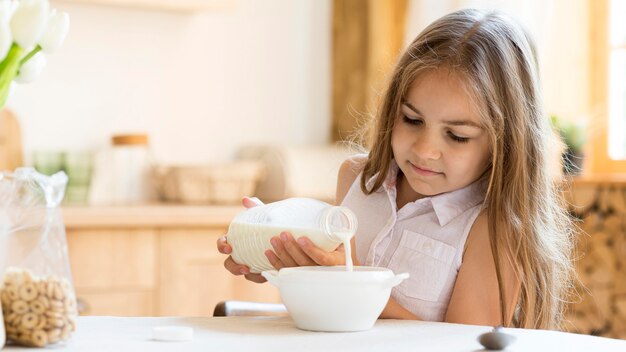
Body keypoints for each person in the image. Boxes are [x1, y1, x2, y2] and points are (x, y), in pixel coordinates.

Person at [217, 9, 574, 330]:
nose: (424, 150)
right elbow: (332, 312)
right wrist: (280, 262)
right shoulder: (358, 180)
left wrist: (356, 287)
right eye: (412, 119)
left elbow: (464, 344)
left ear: (505, 142)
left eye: (456, 136)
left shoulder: (492, 227)